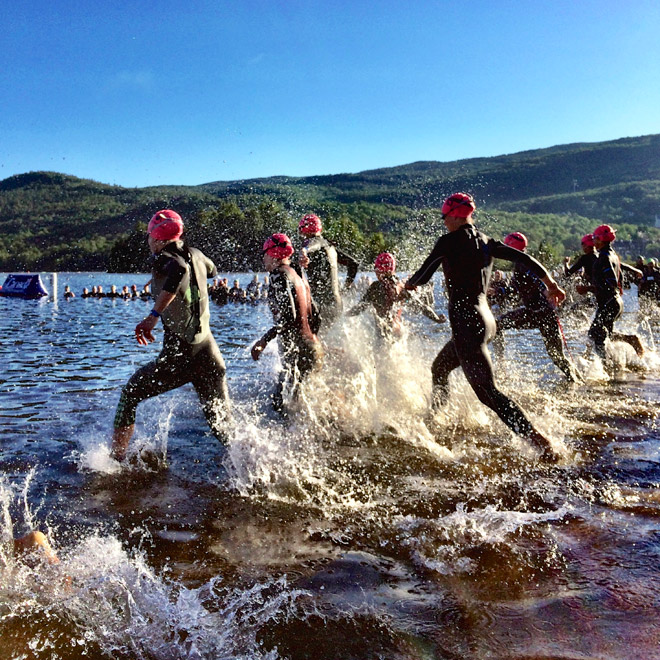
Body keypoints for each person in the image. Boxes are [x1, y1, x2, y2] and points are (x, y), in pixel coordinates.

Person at [405, 193, 566, 462]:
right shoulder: (487, 241)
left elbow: (423, 274)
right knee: (440, 368)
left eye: (445, 217)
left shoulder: (448, 242)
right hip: (485, 320)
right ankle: (435, 420)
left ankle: (539, 441)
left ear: (455, 215)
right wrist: (551, 283)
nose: (444, 222)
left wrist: (408, 284)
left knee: (487, 393)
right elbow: (524, 259)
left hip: (468, 323)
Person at [111, 209, 231, 461]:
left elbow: (179, 270)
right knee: (223, 427)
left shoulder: (164, 257)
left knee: (130, 394)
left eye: (149, 237)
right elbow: (212, 270)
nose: (148, 242)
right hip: (209, 352)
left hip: (181, 354)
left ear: (156, 238)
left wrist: (153, 315)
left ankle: (115, 462)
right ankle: (259, 465)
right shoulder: (196, 254)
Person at [493, 232, 580, 383]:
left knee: (497, 324)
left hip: (539, 313)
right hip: (541, 313)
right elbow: (515, 289)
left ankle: (501, 366)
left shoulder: (523, 265)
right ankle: (576, 380)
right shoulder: (522, 263)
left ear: (511, 249)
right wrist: (498, 291)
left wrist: (547, 291)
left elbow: (537, 280)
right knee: (557, 356)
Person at [251, 233, 322, 416]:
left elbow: (288, 317)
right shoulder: (298, 274)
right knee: (303, 410)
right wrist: (313, 341)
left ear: (273, 254)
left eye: (265, 253)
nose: (263, 258)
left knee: (280, 407)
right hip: (313, 348)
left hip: (297, 353)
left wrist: (264, 340)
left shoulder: (277, 275)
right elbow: (317, 316)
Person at [577, 224, 644, 360]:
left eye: (595, 237)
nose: (593, 240)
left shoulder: (604, 258)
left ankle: (605, 365)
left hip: (609, 302)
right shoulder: (611, 255)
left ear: (601, 239)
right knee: (604, 333)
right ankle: (629, 341)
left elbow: (611, 282)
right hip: (613, 302)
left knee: (595, 333)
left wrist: (588, 288)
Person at [347, 252, 446, 337]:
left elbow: (361, 307)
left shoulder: (375, 287)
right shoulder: (401, 286)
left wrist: (345, 314)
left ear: (378, 270)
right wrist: (436, 318)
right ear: (393, 269)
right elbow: (422, 306)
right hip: (398, 329)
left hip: (383, 330)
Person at [297, 213, 360, 329]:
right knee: (326, 342)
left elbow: (312, 244)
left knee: (311, 342)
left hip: (322, 306)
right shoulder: (330, 247)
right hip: (337, 303)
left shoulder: (313, 241)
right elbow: (353, 264)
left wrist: (304, 251)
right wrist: (346, 286)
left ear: (305, 229)